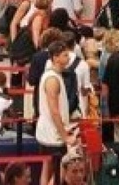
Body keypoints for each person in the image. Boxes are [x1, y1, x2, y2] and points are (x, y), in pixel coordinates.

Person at [36, 41, 79, 185]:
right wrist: (65, 136)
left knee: (47, 167)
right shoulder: (52, 79)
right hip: (53, 134)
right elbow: (54, 111)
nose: (68, 58)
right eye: (65, 55)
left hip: (50, 131)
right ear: (55, 57)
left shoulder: (54, 75)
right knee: (59, 171)